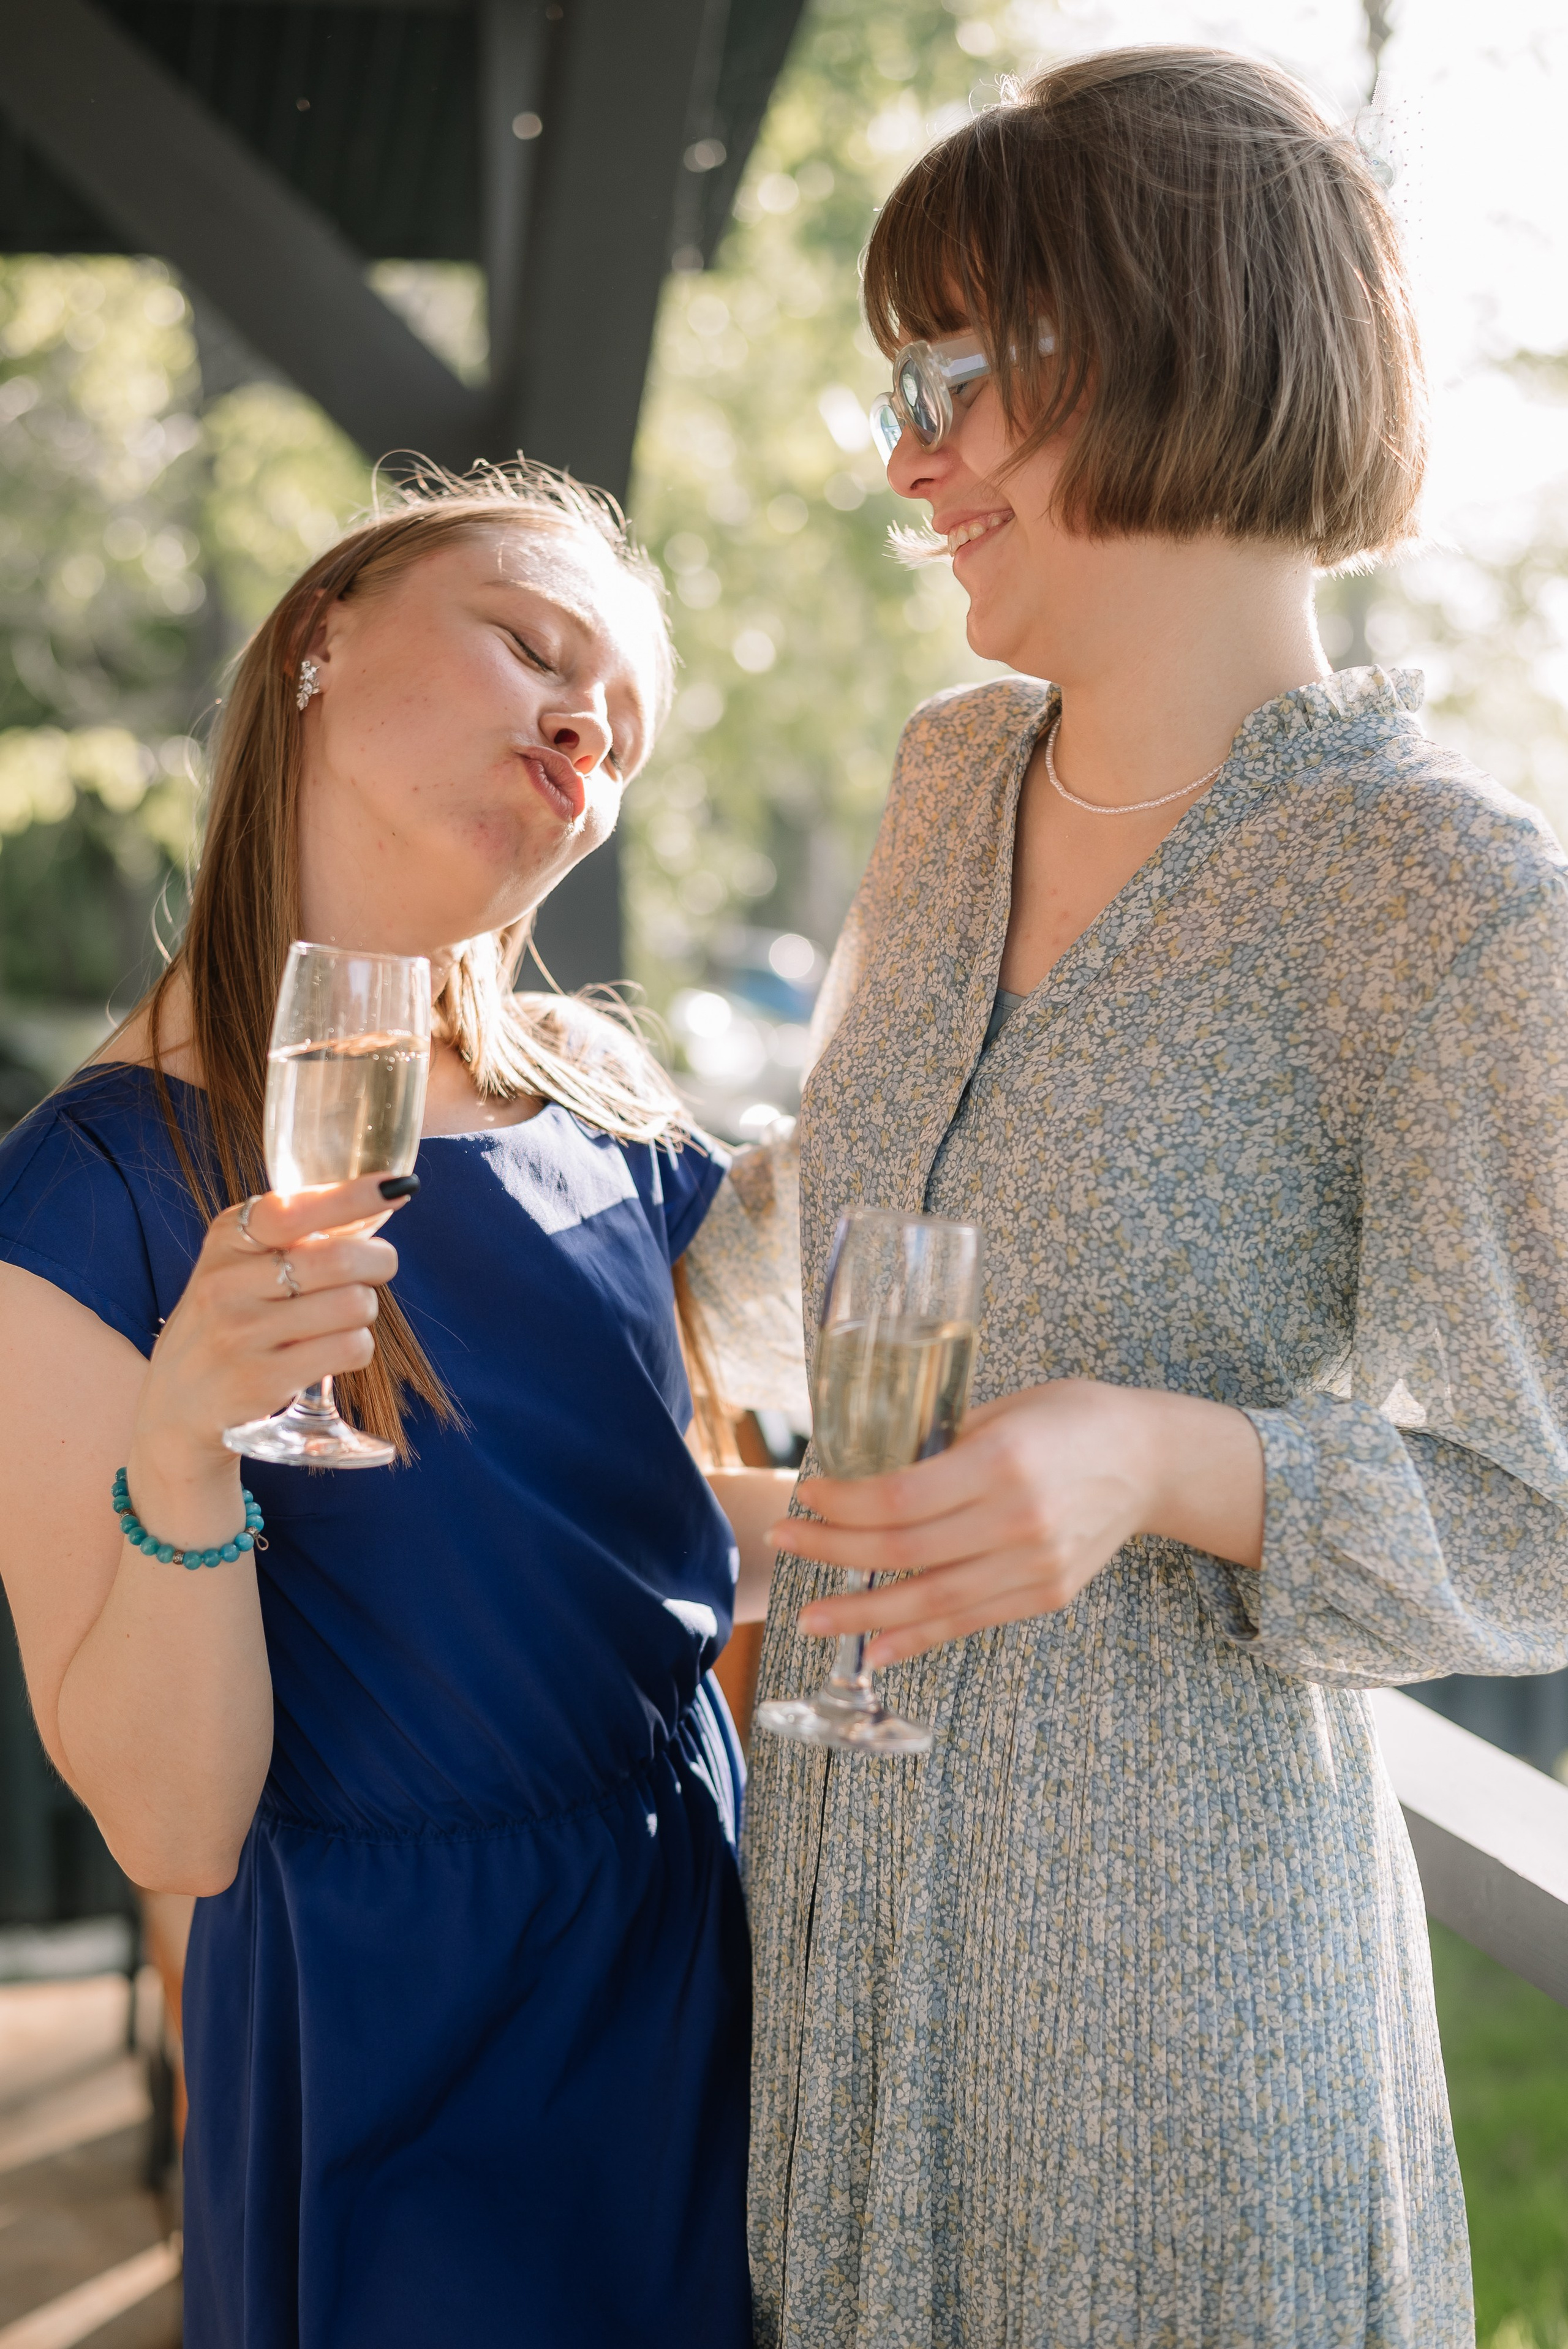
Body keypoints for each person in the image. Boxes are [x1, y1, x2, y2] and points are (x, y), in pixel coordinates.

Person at [743, 48, 1568, 2349]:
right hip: (837, 1917)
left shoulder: (1450, 899)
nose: (907, 454)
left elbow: (1550, 1508)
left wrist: (1167, 1461)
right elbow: (838, 1229)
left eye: (952, 376)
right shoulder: (941, 783)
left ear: (1167, 336)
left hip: (1164, 2006)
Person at [0, 463, 805, 2349]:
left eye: (619, 727)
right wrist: (188, 1434)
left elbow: (633, 1535)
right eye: (533, 644)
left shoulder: (609, 1104)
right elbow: (178, 1824)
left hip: (699, 1952)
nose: (585, 723)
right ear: (321, 641)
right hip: (391, 2032)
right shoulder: (84, 1195)